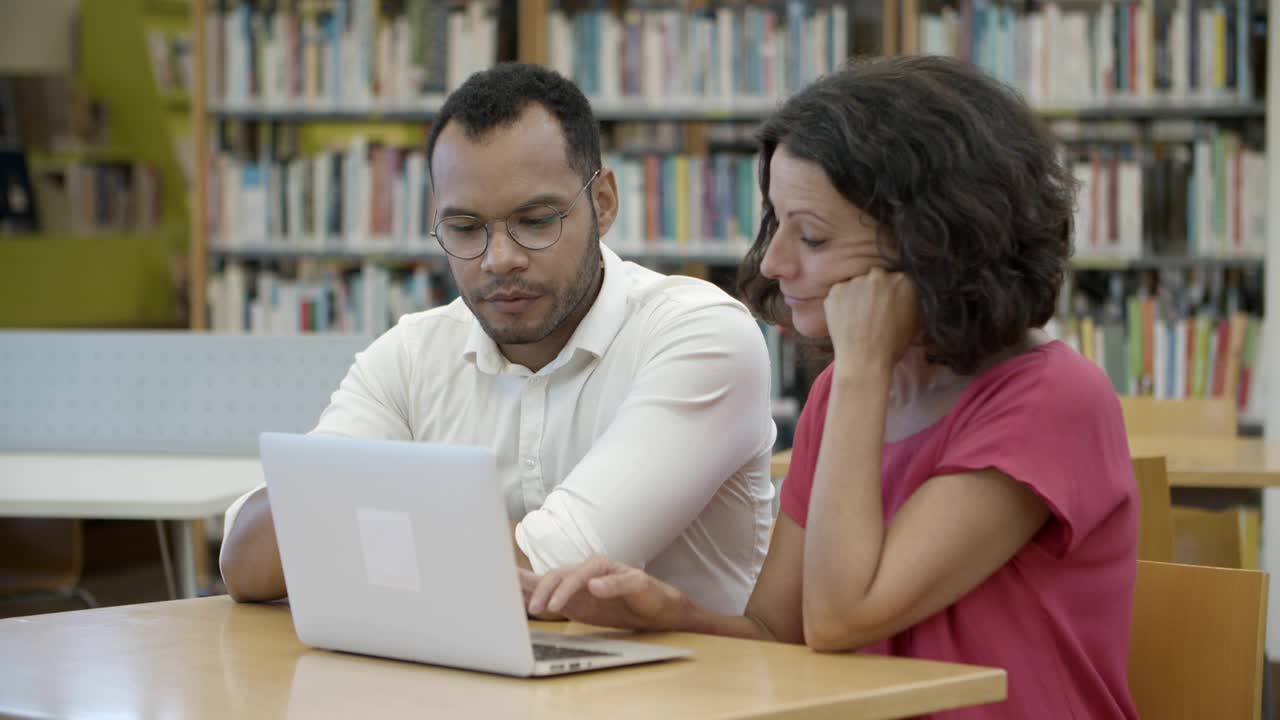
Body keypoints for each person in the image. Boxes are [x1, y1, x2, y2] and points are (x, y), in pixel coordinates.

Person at [522, 55, 1139, 719]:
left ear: (932, 243)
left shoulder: (1050, 398)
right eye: (776, 223)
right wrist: (666, 612)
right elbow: (777, 636)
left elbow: (843, 617)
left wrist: (864, 367)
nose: (773, 261)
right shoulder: (846, 393)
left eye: (811, 235)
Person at [219, 63, 777, 616]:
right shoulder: (412, 353)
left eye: (536, 221)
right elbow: (249, 561)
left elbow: (552, 569)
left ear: (603, 202)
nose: (498, 259)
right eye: (464, 229)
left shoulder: (699, 333)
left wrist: (363, 521)